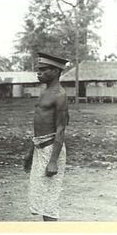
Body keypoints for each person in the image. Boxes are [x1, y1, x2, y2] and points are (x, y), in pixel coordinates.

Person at [23, 52, 69, 221]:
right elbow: (38, 128)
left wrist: (53, 160)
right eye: (38, 69)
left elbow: (61, 128)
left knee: (49, 201)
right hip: (39, 148)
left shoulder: (60, 95)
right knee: (40, 198)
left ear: (56, 71)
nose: (39, 72)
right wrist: (30, 152)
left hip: (51, 149)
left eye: (43, 69)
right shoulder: (45, 91)